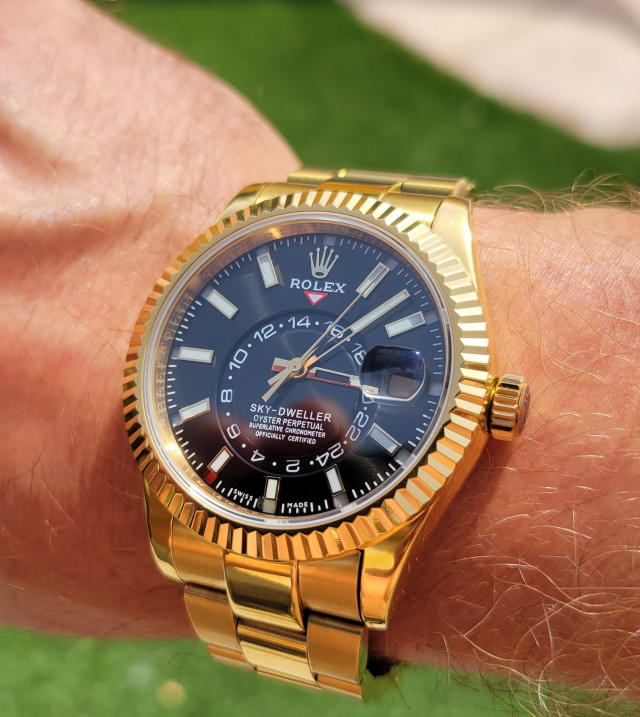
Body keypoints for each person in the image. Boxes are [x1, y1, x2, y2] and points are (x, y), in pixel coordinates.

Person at [1, 0, 639, 709]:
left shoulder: (443, 376)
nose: (297, 368)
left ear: (491, 403)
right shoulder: (238, 281)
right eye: (293, 365)